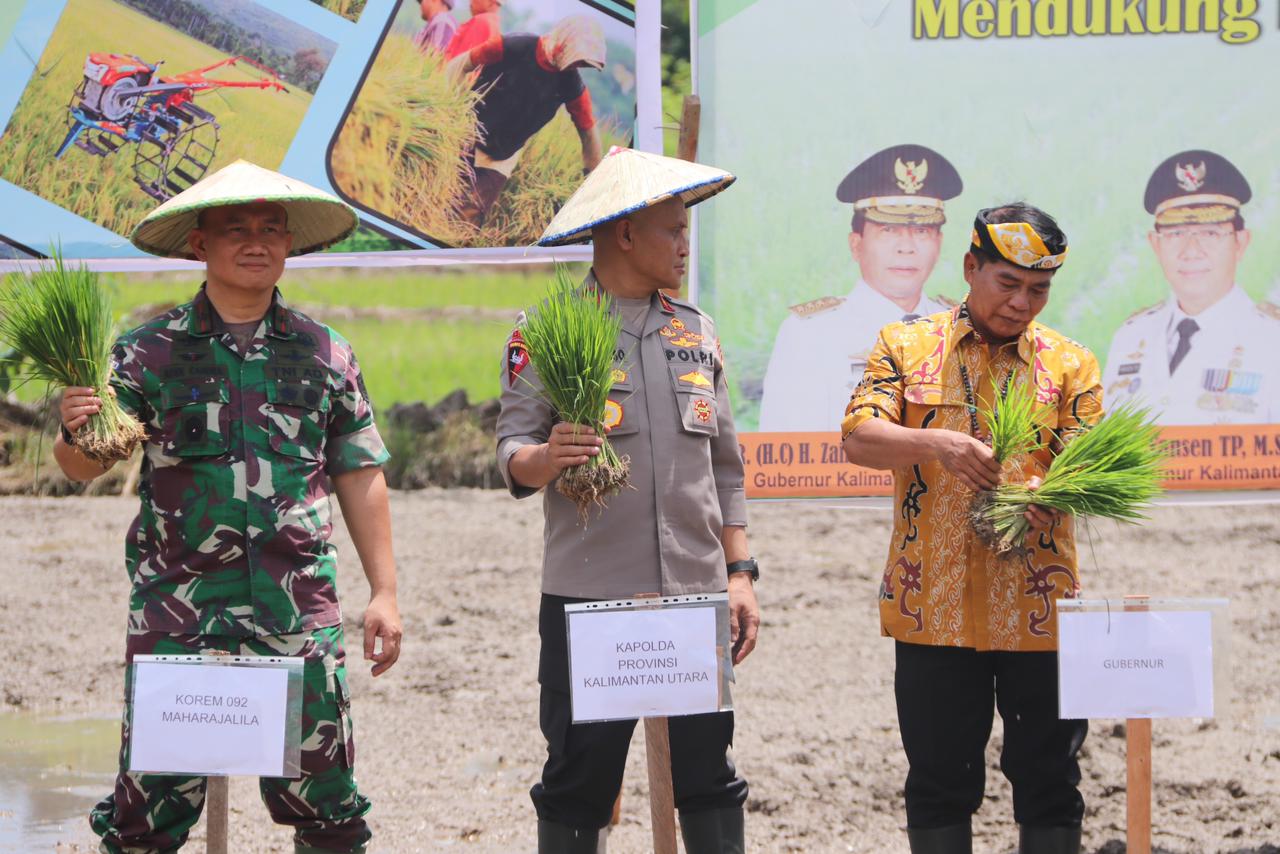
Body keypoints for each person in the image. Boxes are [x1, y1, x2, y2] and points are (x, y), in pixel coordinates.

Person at [56, 160, 402, 854]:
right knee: (144, 823)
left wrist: (385, 592)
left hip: (295, 614)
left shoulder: (325, 354)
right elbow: (80, 466)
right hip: (180, 620)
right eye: (236, 229)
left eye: (271, 229)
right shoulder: (146, 356)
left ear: (288, 244)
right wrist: (74, 427)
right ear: (199, 244)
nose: (257, 243)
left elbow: (359, 473)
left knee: (330, 817)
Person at [497, 146, 760, 854]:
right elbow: (510, 454)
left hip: (694, 596)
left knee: (709, 775)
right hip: (590, 600)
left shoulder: (695, 331)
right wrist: (548, 458)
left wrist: (740, 576)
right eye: (672, 229)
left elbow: (726, 470)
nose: (684, 244)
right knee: (578, 781)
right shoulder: (545, 331)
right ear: (623, 234)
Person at [842, 203, 1101, 854]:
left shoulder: (1071, 366)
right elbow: (860, 437)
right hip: (933, 608)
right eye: (1007, 284)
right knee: (938, 780)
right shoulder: (904, 346)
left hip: (1040, 614)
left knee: (1050, 779)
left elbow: (1095, 465)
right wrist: (940, 445)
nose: (1021, 303)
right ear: (969, 268)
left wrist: (1056, 492)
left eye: (1037, 290)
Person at [759, 144, 963, 431]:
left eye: (921, 231)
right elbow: (786, 455)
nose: (906, 247)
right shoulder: (809, 334)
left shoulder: (961, 329)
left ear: (939, 244)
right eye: (888, 231)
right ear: (856, 245)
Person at [1102, 149, 1280, 424]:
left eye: (1211, 233)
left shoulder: (1272, 340)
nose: (1191, 250)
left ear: (1240, 243)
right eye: (1175, 234)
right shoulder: (1129, 338)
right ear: (1156, 244)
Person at [448, 15, 605, 226]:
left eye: (583, 64)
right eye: (578, 59)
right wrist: (447, 108)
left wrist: (593, 177)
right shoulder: (512, 46)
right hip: (468, 129)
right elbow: (463, 63)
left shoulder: (572, 85)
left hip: (503, 154)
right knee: (445, 191)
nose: (577, 66)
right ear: (563, 42)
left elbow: (588, 132)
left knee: (470, 214)